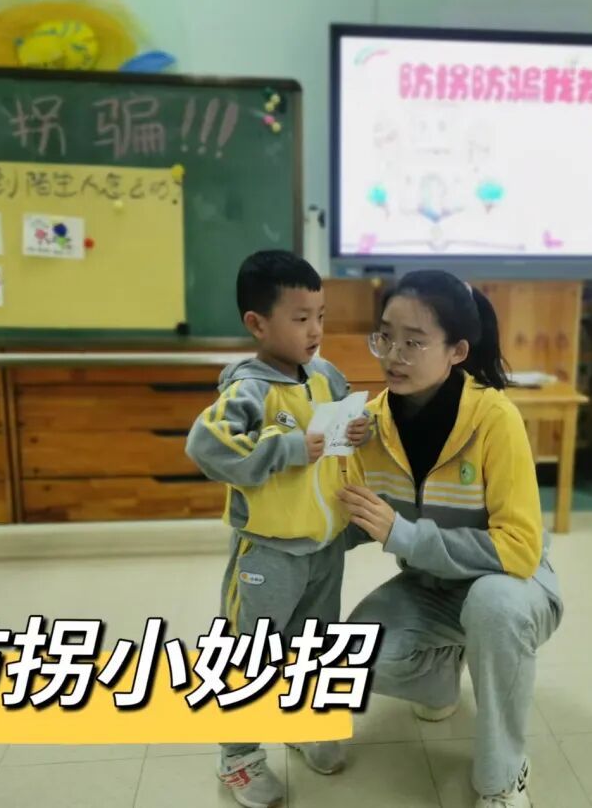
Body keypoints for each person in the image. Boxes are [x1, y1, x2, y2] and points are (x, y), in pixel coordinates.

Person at [338, 270, 562, 808]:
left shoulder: (494, 419)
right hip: (431, 589)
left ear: (457, 351)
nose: (394, 355)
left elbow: (519, 549)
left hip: (513, 587)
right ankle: (444, 678)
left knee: (492, 607)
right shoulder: (369, 424)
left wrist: (404, 535)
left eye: (414, 342)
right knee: (352, 659)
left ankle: (503, 776)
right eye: (385, 336)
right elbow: (354, 520)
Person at [186, 250, 367, 808]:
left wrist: (356, 429)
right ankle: (238, 756)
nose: (315, 330)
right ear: (257, 324)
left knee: (316, 645)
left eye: (321, 316)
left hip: (323, 548)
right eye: (300, 318)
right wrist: (285, 449)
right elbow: (207, 446)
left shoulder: (325, 375)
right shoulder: (248, 390)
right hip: (267, 553)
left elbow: (341, 428)